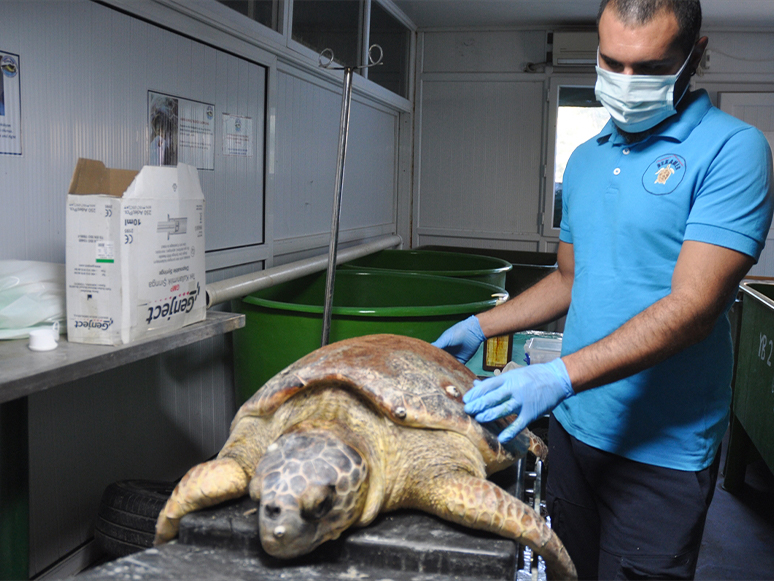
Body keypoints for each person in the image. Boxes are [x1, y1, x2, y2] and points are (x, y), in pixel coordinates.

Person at [432, 0, 774, 578]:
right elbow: (570, 278)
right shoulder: (586, 160)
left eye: (649, 67)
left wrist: (555, 375)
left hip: (662, 452)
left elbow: (692, 309)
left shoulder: (733, 149)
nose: (626, 82)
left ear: (696, 54)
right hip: (572, 432)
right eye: (612, 62)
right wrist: (479, 325)